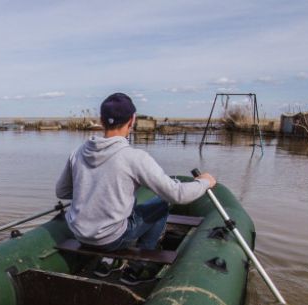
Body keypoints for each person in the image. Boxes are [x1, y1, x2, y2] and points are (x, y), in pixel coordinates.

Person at [55, 92, 216, 285]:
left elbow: (62, 192)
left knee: (132, 205)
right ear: (132, 120)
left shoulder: (78, 152)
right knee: (162, 203)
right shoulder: (134, 158)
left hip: (79, 233)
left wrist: (91, 190)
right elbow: (176, 194)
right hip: (111, 239)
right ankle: (135, 269)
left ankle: (108, 262)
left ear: (101, 120)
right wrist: (205, 182)